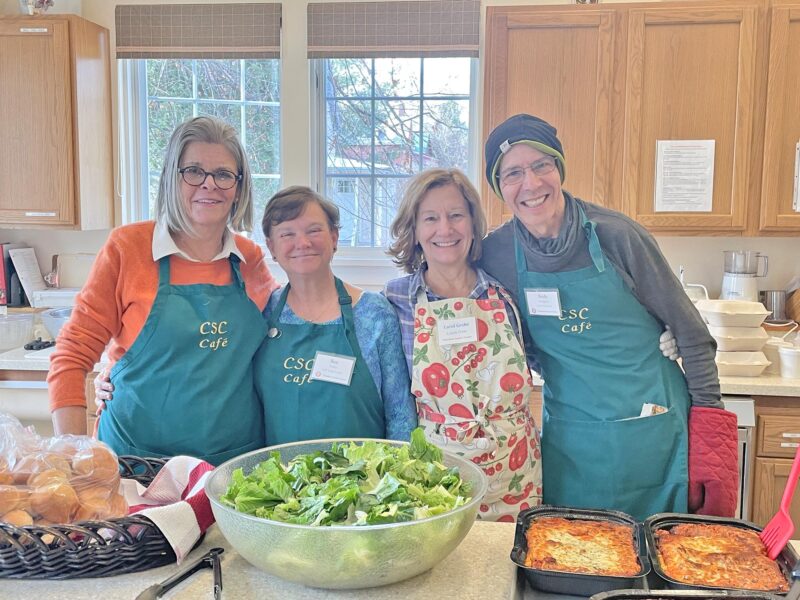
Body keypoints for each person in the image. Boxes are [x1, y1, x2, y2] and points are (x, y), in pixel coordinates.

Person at [479, 113, 738, 519]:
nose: (530, 184)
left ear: (559, 169)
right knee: (574, 552)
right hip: (573, 438)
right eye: (512, 174)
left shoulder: (618, 236)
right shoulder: (496, 253)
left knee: (660, 555)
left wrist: (709, 434)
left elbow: (693, 335)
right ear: (500, 188)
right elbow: (506, 331)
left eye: (541, 166)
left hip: (652, 431)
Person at [50, 116, 278, 465]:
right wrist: (73, 459)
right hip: (134, 462)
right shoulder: (127, 248)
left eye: (223, 174)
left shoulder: (249, 259)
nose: (209, 185)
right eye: (193, 171)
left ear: (238, 186)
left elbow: (285, 334)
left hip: (229, 468)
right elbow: (72, 354)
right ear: (172, 176)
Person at [384, 169, 542, 522]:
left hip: (515, 471)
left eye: (456, 215)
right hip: (438, 479)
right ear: (415, 230)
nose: (445, 229)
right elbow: (389, 398)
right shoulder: (395, 299)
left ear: (472, 223)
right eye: (431, 218)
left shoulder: (506, 292)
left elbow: (550, 353)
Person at [255, 186, 417, 444]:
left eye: (314, 230)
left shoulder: (374, 314)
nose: (303, 243)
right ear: (271, 247)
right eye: (287, 234)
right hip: (278, 479)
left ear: (334, 236)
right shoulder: (262, 312)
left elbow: (399, 414)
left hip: (362, 481)